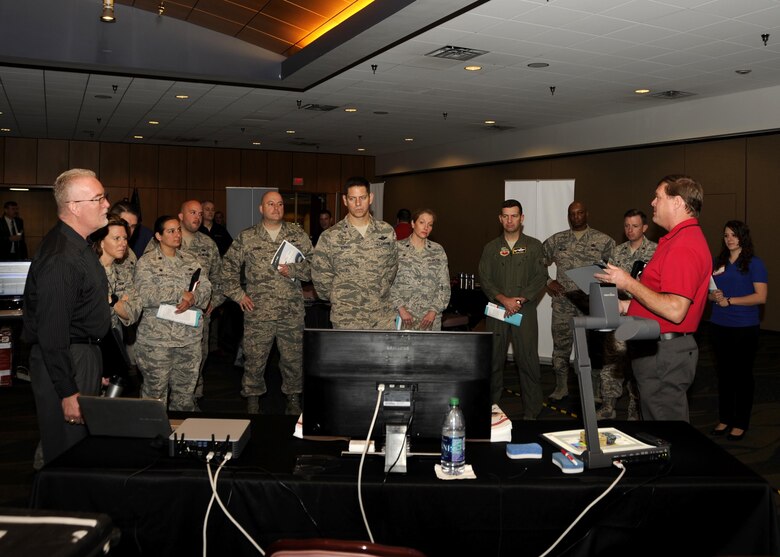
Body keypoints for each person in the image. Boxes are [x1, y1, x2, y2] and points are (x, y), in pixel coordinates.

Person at [595, 175, 711, 422]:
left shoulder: (683, 245)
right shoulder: (676, 241)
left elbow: (675, 309)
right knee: (659, 429)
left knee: (667, 434)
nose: (652, 202)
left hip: (665, 354)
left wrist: (628, 283)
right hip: (661, 350)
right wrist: (626, 305)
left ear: (677, 202)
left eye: (658, 197)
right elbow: (661, 297)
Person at [22, 168, 111, 466]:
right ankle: (60, 510)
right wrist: (68, 390)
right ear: (74, 207)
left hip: (79, 356)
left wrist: (94, 362)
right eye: (98, 198)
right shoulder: (62, 256)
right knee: (67, 452)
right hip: (65, 359)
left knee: (81, 447)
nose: (106, 204)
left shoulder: (77, 245)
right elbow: (52, 332)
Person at [221, 191, 312, 415]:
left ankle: (293, 399)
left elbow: (314, 268)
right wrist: (238, 294)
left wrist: (293, 269)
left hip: (290, 312)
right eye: (270, 204)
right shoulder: (247, 236)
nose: (276, 208)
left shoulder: (297, 235)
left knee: (293, 360)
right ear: (261, 208)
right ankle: (253, 401)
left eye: (280, 204)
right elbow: (227, 268)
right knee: (254, 360)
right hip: (258, 313)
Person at [134, 216, 211, 411]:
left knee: (185, 396)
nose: (177, 234)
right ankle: (151, 435)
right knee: (155, 395)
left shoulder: (192, 260)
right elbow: (144, 294)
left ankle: (180, 437)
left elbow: (205, 288)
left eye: (178, 230)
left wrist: (193, 298)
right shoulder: (147, 262)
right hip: (157, 341)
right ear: (158, 236)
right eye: (171, 231)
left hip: (188, 339)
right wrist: (179, 294)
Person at [478, 200, 548, 415]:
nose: (510, 220)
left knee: (528, 361)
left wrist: (520, 300)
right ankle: (490, 412)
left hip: (523, 312)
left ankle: (532, 413)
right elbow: (484, 277)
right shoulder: (491, 248)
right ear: (500, 219)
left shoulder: (535, 246)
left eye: (514, 216)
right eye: (505, 216)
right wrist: (503, 298)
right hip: (498, 311)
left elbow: (541, 277)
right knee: (494, 362)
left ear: (522, 218)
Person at [543, 201, 615, 400]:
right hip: (563, 303)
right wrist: (548, 281)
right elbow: (536, 261)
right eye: (572, 214)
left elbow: (616, 270)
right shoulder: (557, 240)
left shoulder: (603, 240)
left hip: (591, 304)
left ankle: (594, 390)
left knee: (594, 348)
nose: (576, 217)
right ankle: (561, 387)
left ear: (587, 214)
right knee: (561, 346)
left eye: (580, 213)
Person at [312, 177, 398, 329]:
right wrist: (341, 297)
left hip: (381, 317)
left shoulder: (386, 231)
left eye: (362, 198)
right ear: (345, 200)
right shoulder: (331, 236)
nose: (358, 204)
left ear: (370, 198)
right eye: (352, 199)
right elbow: (321, 278)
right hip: (346, 318)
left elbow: (392, 269)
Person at [708, 221, 767, 440]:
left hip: (744, 327)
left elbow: (761, 297)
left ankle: (740, 422)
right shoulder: (717, 262)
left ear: (743, 237)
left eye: (734, 235)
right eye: (726, 235)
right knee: (724, 375)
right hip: (719, 325)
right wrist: (712, 297)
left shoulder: (754, 263)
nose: (729, 239)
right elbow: (708, 293)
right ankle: (725, 418)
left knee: (742, 375)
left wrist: (730, 301)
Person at [596, 209, 657, 420]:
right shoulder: (617, 252)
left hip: (641, 316)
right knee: (611, 362)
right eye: (627, 226)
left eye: (635, 226)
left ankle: (635, 409)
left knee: (637, 365)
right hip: (617, 314)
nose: (630, 230)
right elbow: (609, 282)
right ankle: (608, 405)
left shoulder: (656, 252)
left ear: (645, 228)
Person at [178, 200, 225, 401]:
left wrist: (214, 301)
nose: (197, 217)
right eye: (192, 212)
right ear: (181, 216)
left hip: (198, 315)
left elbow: (219, 278)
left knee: (198, 358)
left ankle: (193, 399)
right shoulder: (165, 239)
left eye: (200, 213)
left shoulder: (208, 244)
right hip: (168, 316)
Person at [89, 215, 142, 380]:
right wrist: (120, 302)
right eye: (116, 238)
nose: (123, 243)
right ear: (101, 242)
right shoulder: (86, 270)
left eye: (125, 238)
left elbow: (132, 313)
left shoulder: (124, 273)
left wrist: (111, 300)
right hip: (87, 344)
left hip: (113, 341)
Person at [391, 209, 451, 331]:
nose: (426, 227)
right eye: (422, 222)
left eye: (430, 224)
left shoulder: (437, 251)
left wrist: (433, 312)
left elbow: (444, 286)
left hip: (429, 320)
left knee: (429, 350)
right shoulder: (397, 249)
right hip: (403, 317)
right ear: (413, 224)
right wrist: (401, 309)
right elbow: (388, 283)